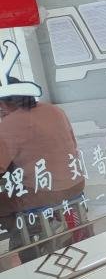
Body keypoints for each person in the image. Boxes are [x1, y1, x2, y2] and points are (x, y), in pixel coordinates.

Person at [0, 83, 87, 265]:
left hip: (45, 193)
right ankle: (52, 222)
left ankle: (25, 238)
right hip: (76, 184)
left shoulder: (10, 123)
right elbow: (73, 145)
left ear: (5, 102)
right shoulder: (55, 111)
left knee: (3, 204)